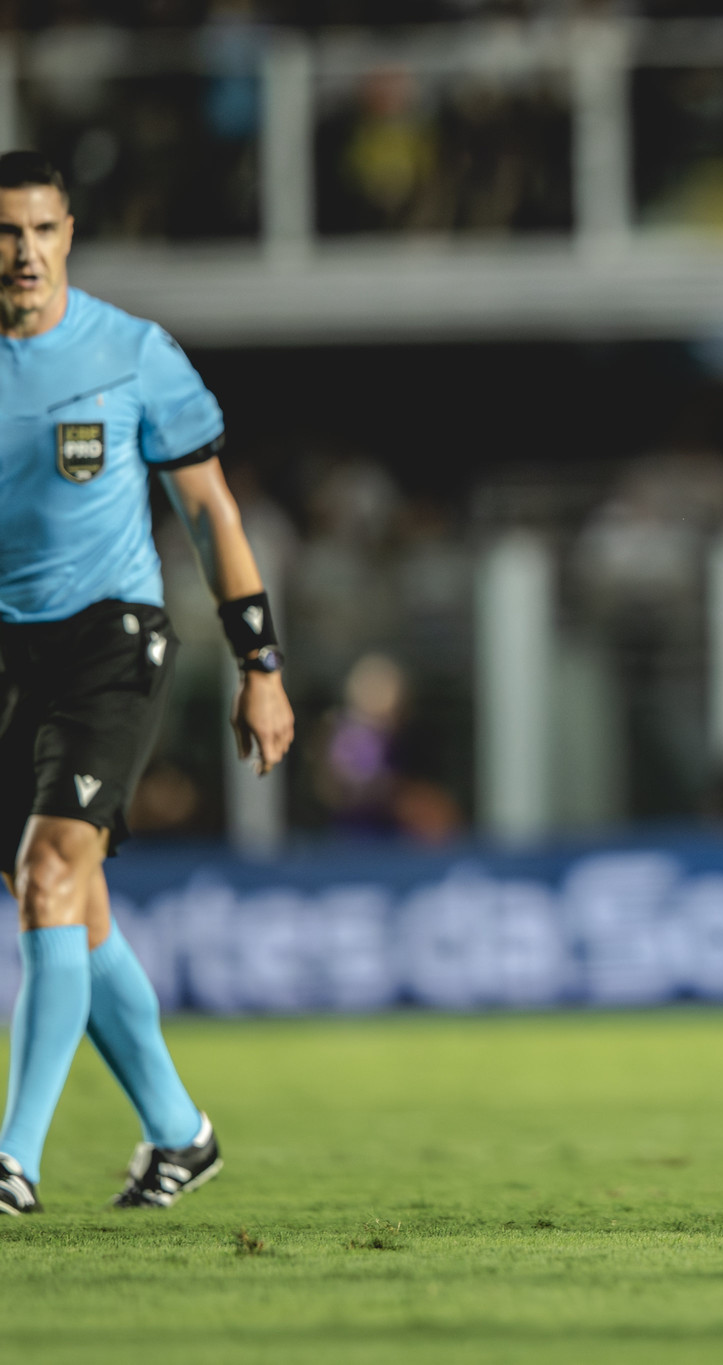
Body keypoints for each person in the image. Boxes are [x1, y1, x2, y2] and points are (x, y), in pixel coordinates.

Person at [0, 151, 295, 1215]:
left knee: (46, 876)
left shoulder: (132, 354)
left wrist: (261, 668)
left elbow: (211, 514)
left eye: (41, 230)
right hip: (5, 655)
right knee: (71, 910)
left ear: (69, 234)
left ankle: (11, 1160)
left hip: (110, 642)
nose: (23, 252)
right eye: (4, 233)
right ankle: (180, 1132)